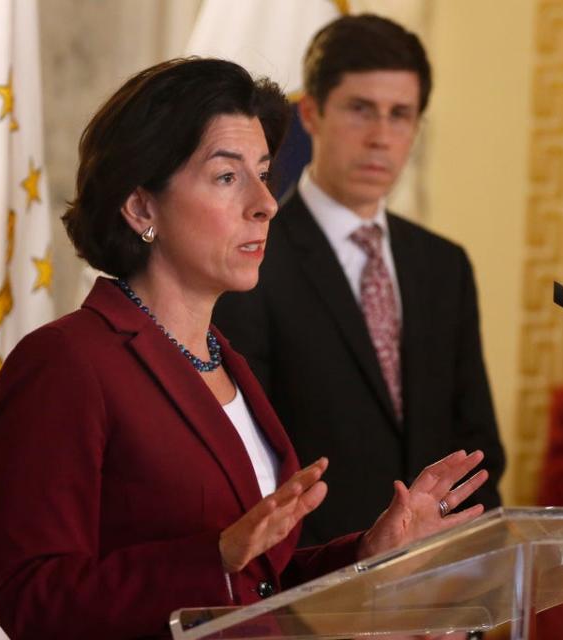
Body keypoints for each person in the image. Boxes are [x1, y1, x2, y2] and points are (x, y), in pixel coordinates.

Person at [0, 58, 488, 639]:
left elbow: (255, 587)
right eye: (227, 177)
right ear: (141, 206)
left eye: (264, 173)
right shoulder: (68, 361)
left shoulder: (228, 362)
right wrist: (215, 557)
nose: (265, 203)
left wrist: (368, 553)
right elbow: (33, 599)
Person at [213, 15, 506, 547]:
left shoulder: (444, 265)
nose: (380, 137)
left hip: (434, 588)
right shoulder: (250, 256)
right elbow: (246, 456)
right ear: (311, 113)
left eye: (401, 115)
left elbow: (478, 445)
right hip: (310, 584)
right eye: (360, 109)